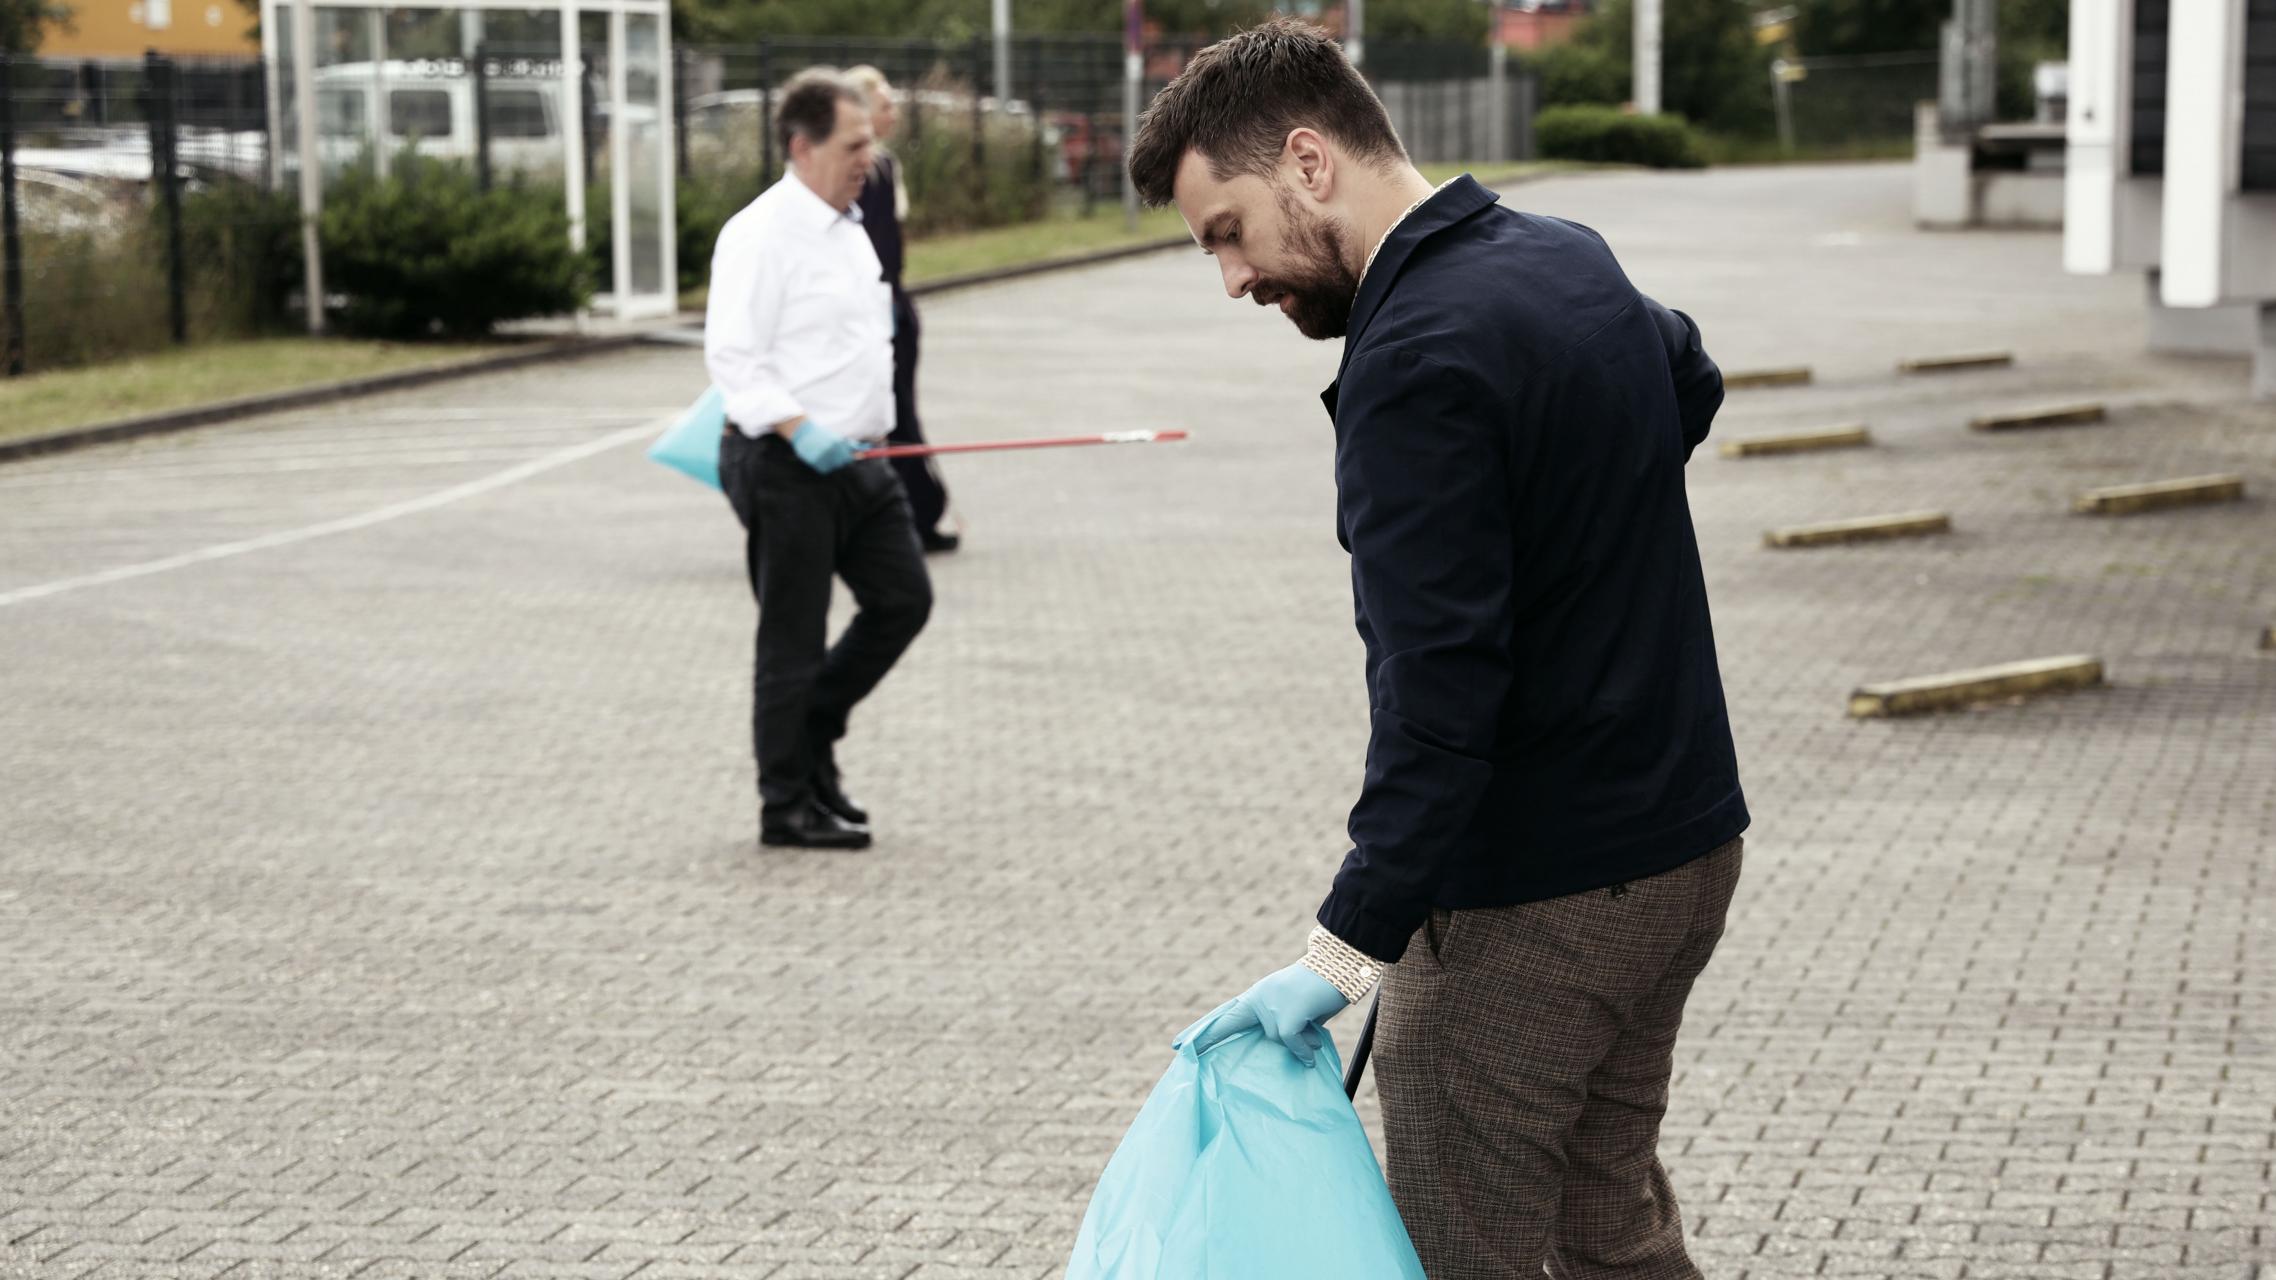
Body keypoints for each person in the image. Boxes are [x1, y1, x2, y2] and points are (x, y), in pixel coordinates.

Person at [1132, 21, 1749, 1279]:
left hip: (1538, 899)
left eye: (1224, 232)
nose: (1233, 280)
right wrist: (1577, 532)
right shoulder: (1562, 254)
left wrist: (1342, 947)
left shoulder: (1410, 363)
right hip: (1682, 847)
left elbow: (1437, 700)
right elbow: (1684, 376)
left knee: (1464, 1245)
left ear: (1307, 161)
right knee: (1605, 1226)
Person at [704, 69, 932, 851]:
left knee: (904, 600)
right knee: (792, 638)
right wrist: (799, 426)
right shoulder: (759, 234)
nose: (870, 154)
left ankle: (813, 732)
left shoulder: (848, 220)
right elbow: (733, 356)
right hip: (784, 460)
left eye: (871, 139)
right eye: (854, 142)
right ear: (802, 147)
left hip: (861, 461)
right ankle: (787, 803)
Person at [846, 64, 959, 554]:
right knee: (891, 415)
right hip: (879, 312)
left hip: (890, 306)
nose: (894, 112)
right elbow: (877, 249)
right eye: (885, 103)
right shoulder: (870, 172)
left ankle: (914, 508)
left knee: (897, 411)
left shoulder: (884, 166)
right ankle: (913, 511)